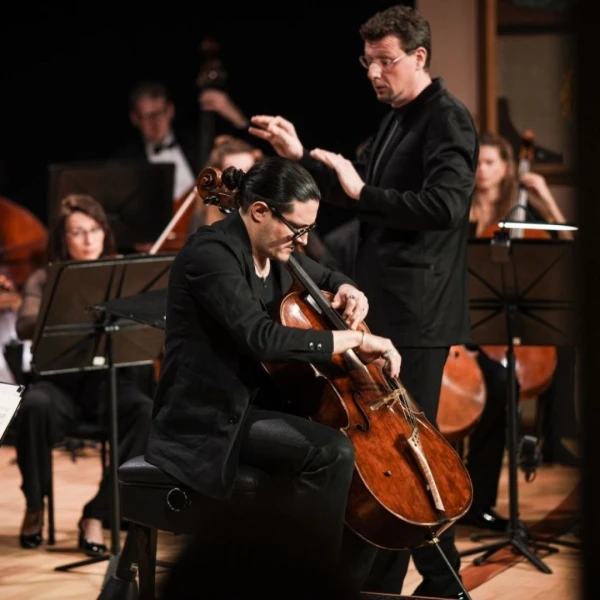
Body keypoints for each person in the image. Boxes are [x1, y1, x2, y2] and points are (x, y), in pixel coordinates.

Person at [249, 5, 478, 598]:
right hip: (389, 307)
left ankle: (435, 583)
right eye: (368, 61)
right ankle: (423, 584)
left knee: (406, 456)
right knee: (395, 459)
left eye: (386, 61)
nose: (374, 73)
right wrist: (299, 157)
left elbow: (447, 206)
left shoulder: (447, 119)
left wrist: (364, 189)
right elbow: (354, 195)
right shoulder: (398, 118)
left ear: (419, 57)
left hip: (419, 312)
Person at [144, 155, 402, 598]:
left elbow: (326, 273)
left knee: (371, 469)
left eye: (309, 230)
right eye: (297, 229)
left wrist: (347, 287)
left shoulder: (276, 253)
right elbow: (260, 337)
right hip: (210, 416)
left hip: (259, 406)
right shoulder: (211, 254)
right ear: (260, 211)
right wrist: (354, 340)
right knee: (332, 452)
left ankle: (339, 585)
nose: (302, 241)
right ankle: (302, 584)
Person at [14, 194, 153, 554]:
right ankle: (34, 505)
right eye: (78, 232)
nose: (89, 239)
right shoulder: (46, 277)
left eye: (94, 230)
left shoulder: (120, 273)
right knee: (34, 407)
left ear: (105, 232)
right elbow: (24, 324)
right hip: (57, 383)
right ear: (64, 239)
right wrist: (64, 309)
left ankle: (96, 513)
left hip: (107, 382)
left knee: (143, 412)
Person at [459, 131, 574, 531]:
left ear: (507, 167)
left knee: (501, 385)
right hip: (458, 325)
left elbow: (566, 248)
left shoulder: (519, 213)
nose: (482, 170)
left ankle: (480, 501)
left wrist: (545, 200)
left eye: (490, 162)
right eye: (477, 162)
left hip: (499, 326)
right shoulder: (458, 209)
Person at [111, 80, 252, 202]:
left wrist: (235, 115)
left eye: (160, 113)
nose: (155, 123)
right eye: (147, 116)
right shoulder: (126, 162)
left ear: (170, 110)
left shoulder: (196, 142)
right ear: (135, 119)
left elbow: (250, 151)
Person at [187, 134, 265, 232]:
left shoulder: (264, 208)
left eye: (248, 171)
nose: (242, 181)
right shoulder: (206, 215)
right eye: (232, 175)